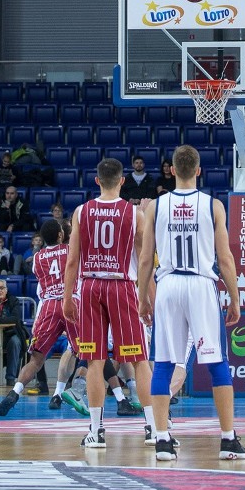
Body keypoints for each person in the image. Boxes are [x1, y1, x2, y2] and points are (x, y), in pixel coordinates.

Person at [138, 143, 245, 461]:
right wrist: (235, 297)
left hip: (168, 284)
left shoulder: (155, 207)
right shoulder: (213, 206)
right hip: (201, 284)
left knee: (163, 364)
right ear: (198, 170)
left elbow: (146, 259)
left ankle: (161, 440)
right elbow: (225, 258)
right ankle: (228, 440)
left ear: (171, 170)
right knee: (217, 364)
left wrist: (144, 296)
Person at [63, 157, 156, 450]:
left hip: (90, 286)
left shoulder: (81, 211)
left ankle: (95, 431)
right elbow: (144, 262)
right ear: (123, 181)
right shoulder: (133, 214)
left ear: (97, 180)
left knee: (95, 360)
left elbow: (72, 261)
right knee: (139, 359)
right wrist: (148, 298)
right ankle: (153, 429)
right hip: (122, 286)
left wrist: (67, 297)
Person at [0, 218, 80, 416]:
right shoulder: (70, 250)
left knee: (36, 359)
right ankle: (62, 392)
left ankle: (15, 392)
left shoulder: (38, 258)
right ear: (61, 235)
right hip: (70, 301)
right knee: (77, 351)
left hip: (48, 305)